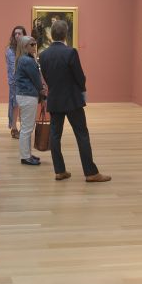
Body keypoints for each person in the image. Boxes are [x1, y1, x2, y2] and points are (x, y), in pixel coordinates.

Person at [39, 21, 111, 182]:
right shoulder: (70, 52)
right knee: (82, 135)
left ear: (52, 35)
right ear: (65, 34)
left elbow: (46, 77)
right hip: (72, 100)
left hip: (55, 99)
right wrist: (82, 88)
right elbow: (79, 76)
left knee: (55, 136)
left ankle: (59, 171)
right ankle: (91, 172)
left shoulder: (43, 55)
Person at [15, 36, 44, 166]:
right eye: (31, 44)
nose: (34, 46)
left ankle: (27, 154)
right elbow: (36, 79)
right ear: (25, 46)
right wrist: (42, 90)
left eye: (35, 43)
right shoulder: (27, 60)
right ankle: (25, 156)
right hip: (28, 96)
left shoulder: (23, 59)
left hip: (24, 95)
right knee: (27, 128)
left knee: (27, 127)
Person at [5, 26, 27, 139]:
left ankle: (24, 128)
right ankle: (14, 127)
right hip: (15, 81)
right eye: (15, 34)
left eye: (19, 33)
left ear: (24, 35)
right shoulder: (10, 50)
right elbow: (14, 67)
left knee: (23, 104)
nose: (17, 35)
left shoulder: (26, 48)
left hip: (25, 80)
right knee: (15, 104)